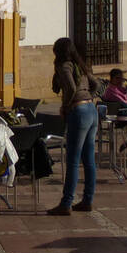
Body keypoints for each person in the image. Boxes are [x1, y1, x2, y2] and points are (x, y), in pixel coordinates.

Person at [48, 37, 99, 216]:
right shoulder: (81, 66)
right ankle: (87, 200)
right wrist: (88, 97)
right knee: (89, 159)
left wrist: (67, 105)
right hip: (92, 111)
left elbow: (69, 87)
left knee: (73, 160)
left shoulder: (64, 66)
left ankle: (66, 202)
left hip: (78, 112)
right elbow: (97, 84)